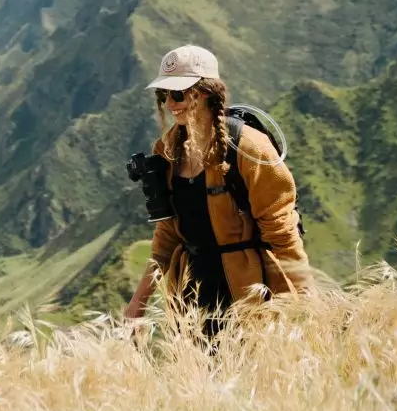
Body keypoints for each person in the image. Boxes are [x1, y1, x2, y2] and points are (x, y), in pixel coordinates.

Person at [122, 45, 310, 329]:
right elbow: (168, 233)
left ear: (207, 92)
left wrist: (308, 302)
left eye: (178, 94)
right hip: (191, 296)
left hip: (247, 293)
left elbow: (281, 232)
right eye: (164, 96)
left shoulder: (249, 148)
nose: (170, 104)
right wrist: (139, 301)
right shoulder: (167, 150)